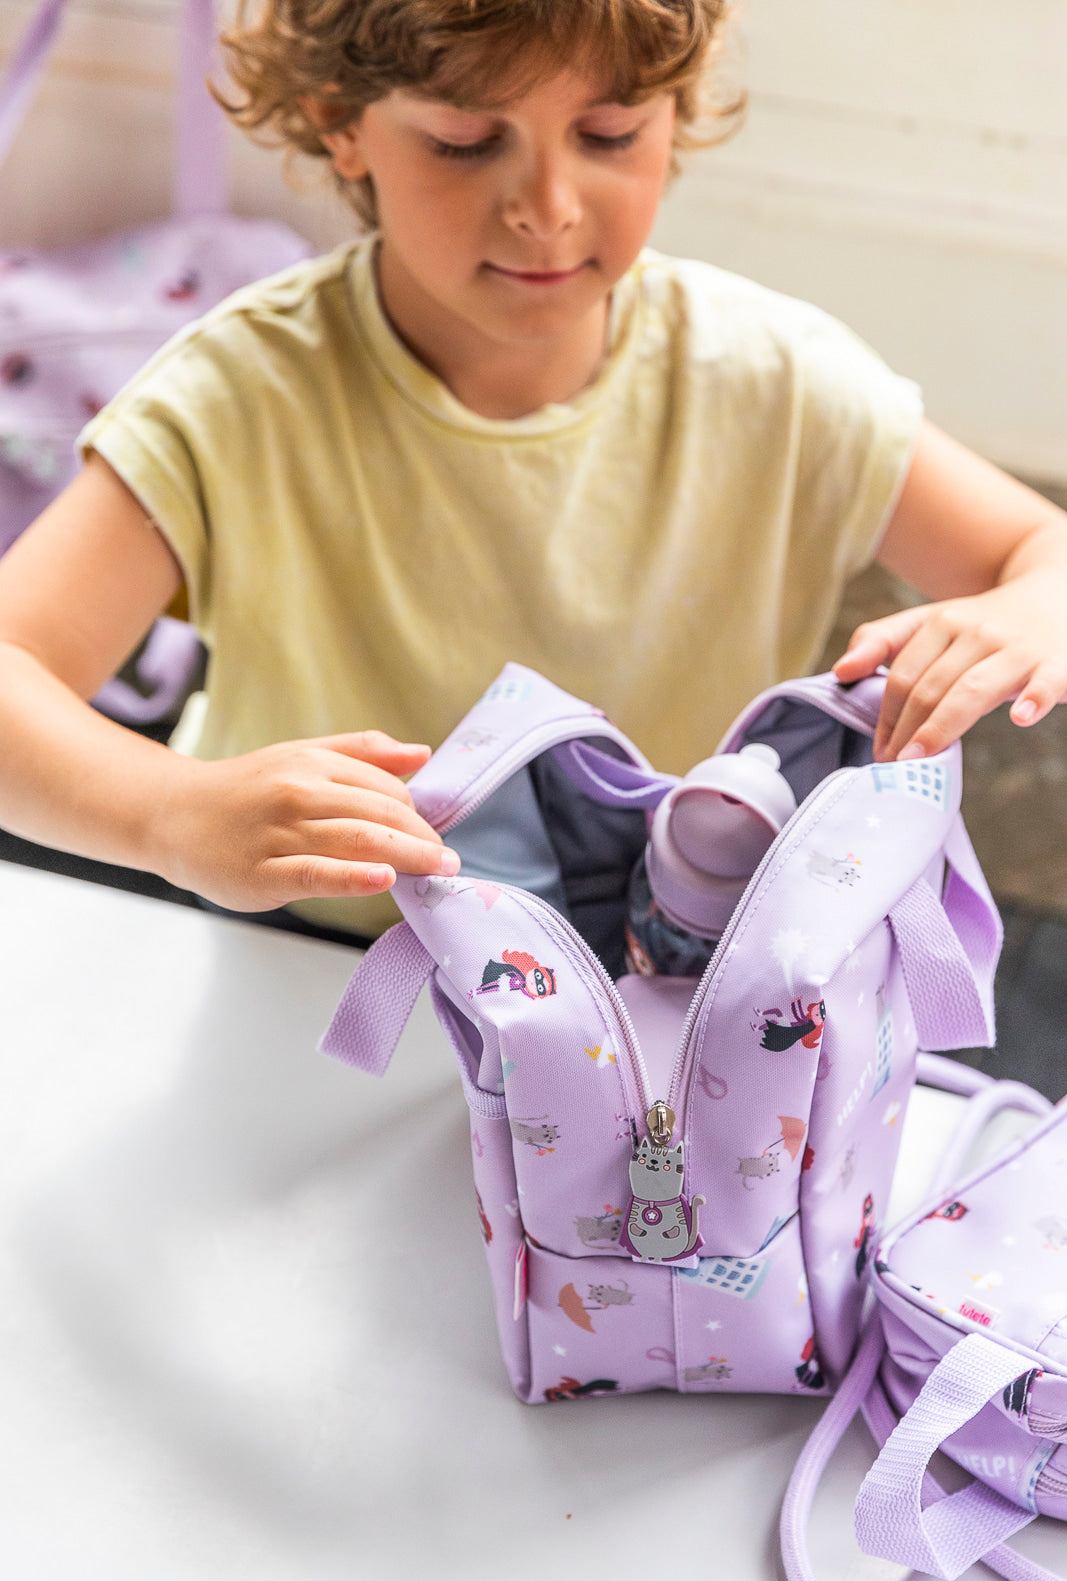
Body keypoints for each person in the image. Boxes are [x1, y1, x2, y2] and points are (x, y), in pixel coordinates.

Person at [0, 0, 1064, 945]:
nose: (547, 205)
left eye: (608, 134)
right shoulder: (238, 396)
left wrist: (1033, 606)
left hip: (668, 957)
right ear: (340, 121)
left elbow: (1039, 550)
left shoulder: (775, 380)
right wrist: (171, 812)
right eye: (465, 142)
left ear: (673, 113)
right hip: (319, 947)